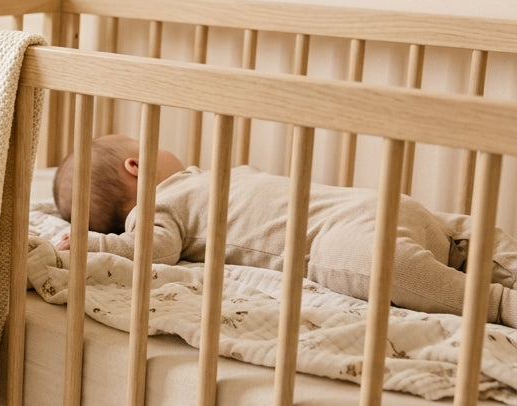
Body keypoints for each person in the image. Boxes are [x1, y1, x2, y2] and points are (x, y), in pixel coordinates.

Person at [52, 133, 517, 327]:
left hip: (354, 213)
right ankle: (497, 302)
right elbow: (157, 250)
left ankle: (501, 271)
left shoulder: (200, 179)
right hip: (344, 224)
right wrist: (97, 243)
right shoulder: (154, 208)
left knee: (461, 236)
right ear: (135, 165)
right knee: (396, 260)